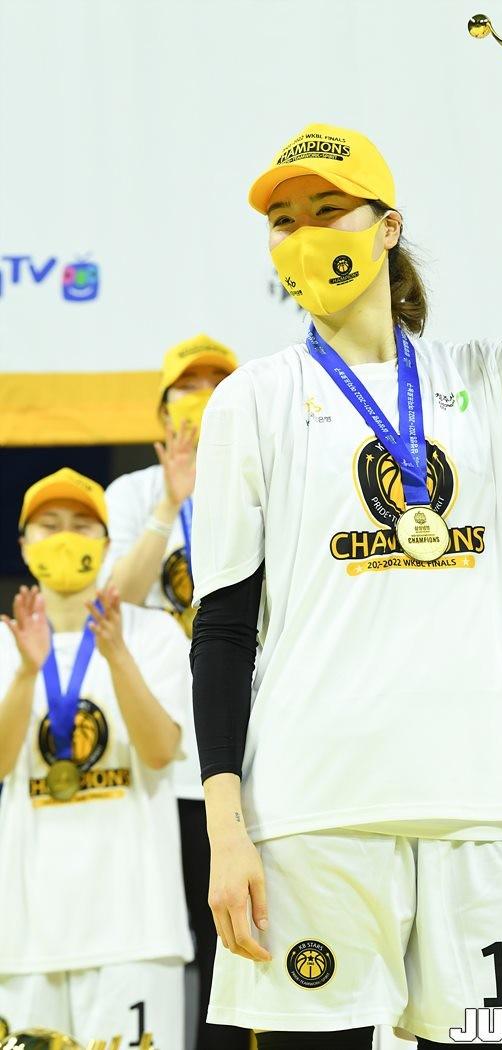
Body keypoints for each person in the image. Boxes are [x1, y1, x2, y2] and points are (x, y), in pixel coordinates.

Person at [190, 54, 502, 1049]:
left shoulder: (489, 385)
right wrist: (225, 829)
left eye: (327, 209)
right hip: (314, 815)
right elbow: (222, 630)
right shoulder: (250, 402)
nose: (303, 234)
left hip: (482, 811)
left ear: (387, 227)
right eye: (282, 220)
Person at [0, 468, 192, 1046]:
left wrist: (116, 654)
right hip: (26, 939)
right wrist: (27, 673)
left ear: (107, 545)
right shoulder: (5, 643)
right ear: (24, 546)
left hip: (135, 931)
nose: (65, 537)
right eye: (50, 525)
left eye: (81, 526)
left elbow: (160, 752)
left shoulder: (154, 633)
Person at [102, 334, 247, 1050]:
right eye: (189, 390)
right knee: (178, 934)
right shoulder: (130, 494)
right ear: (163, 415)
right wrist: (171, 503)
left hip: (245, 747)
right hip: (164, 764)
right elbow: (114, 603)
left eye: (219, 388)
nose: (204, 402)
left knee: (241, 936)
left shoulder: (259, 482)